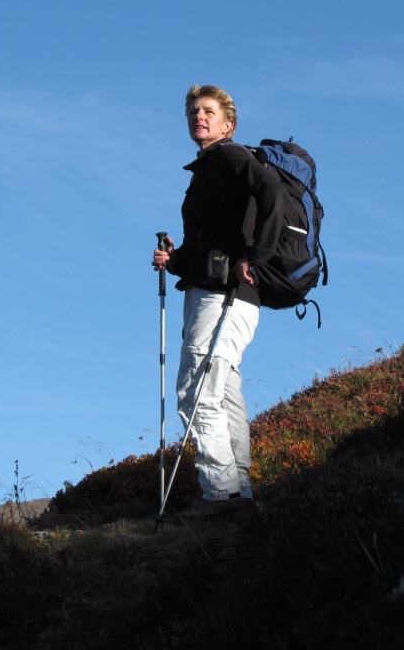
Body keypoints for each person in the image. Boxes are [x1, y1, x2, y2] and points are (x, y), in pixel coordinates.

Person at [152, 84, 285, 518]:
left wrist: (256, 257)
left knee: (195, 390)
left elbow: (271, 191)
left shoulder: (229, 156)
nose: (199, 116)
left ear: (228, 124)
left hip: (225, 296)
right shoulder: (208, 170)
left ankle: (222, 495)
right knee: (222, 392)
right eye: (193, 111)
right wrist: (175, 261)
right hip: (215, 293)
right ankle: (238, 491)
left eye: (208, 111)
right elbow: (213, 241)